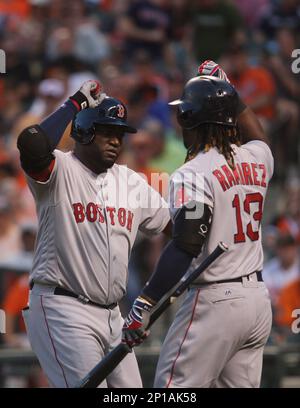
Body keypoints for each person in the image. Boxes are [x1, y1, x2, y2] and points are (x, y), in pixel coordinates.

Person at [122, 63, 274, 387]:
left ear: (191, 119)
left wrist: (147, 300)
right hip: (257, 303)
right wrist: (229, 92)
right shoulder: (257, 157)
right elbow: (259, 135)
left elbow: (187, 243)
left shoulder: (193, 172)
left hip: (214, 300)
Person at [17, 80, 170, 388]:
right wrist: (75, 103)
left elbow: (176, 229)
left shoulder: (130, 180)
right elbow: (32, 144)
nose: (116, 140)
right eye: (107, 132)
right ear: (84, 131)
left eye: (120, 134)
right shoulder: (60, 169)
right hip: (63, 307)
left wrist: (145, 305)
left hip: (114, 314)